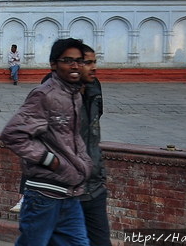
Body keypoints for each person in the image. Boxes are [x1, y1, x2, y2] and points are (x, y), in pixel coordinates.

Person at [0, 37, 92, 246]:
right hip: (43, 194)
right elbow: (13, 134)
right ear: (53, 64)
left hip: (69, 193)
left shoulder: (75, 95)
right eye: (68, 60)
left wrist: (83, 162)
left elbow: (70, 137)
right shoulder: (45, 95)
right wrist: (51, 161)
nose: (75, 65)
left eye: (79, 60)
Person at [77, 46, 110, 246]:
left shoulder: (94, 87)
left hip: (94, 186)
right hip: (65, 190)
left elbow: (95, 124)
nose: (93, 68)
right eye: (87, 63)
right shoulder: (50, 95)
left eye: (94, 62)